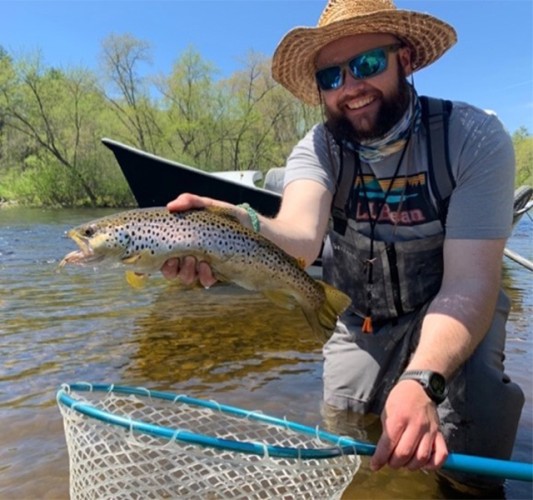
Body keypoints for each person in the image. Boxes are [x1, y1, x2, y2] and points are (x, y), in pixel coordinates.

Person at [161, 0, 524, 492]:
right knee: (347, 435)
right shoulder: (318, 148)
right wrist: (235, 224)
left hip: (450, 306)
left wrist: (423, 381)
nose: (350, 87)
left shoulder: (472, 138)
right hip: (361, 316)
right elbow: (300, 239)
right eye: (330, 76)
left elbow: (471, 283)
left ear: (407, 58)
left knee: (472, 443)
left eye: (368, 64)